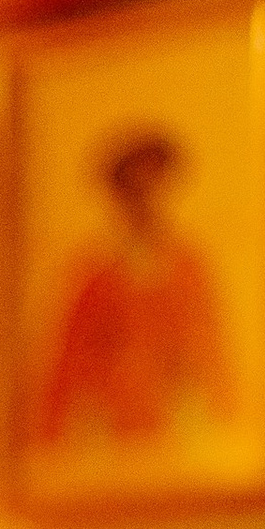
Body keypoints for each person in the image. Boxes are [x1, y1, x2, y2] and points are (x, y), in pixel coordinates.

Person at [35, 128, 234, 448]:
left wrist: (219, 418)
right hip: (108, 425)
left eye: (155, 188)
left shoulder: (189, 268)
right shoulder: (93, 274)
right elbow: (67, 362)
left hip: (178, 422)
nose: (146, 202)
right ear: (119, 197)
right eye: (135, 191)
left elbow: (213, 353)